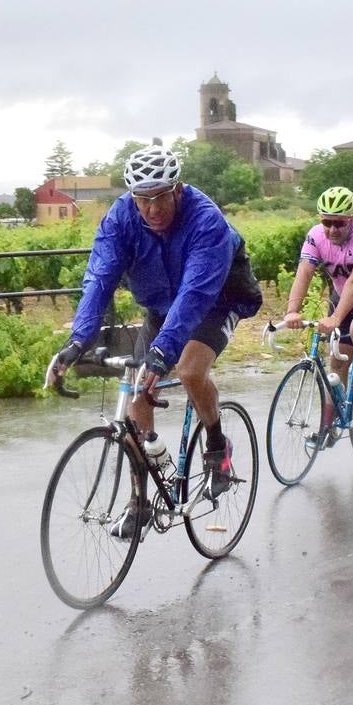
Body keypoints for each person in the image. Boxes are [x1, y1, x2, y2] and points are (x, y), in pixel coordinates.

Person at [49, 145, 263, 537]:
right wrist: (77, 342)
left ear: (178, 190)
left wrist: (162, 354)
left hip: (217, 298)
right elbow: (100, 279)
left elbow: (196, 294)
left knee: (189, 368)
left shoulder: (205, 221)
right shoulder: (120, 219)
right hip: (161, 307)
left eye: (161, 196)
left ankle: (217, 446)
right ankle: (139, 501)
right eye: (143, 199)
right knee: (135, 395)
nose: (153, 208)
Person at [283, 185, 353, 448]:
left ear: (352, 220)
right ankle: (328, 428)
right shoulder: (315, 237)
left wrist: (336, 318)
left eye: (339, 223)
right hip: (342, 294)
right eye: (327, 222)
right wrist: (292, 310)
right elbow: (304, 273)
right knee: (336, 361)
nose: (332, 229)